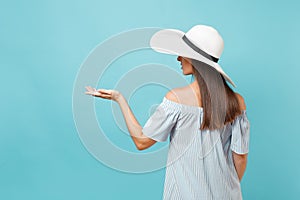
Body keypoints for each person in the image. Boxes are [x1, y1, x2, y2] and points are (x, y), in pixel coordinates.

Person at [85, 25, 250, 200]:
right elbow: (239, 158)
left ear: (194, 59)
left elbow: (142, 142)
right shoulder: (237, 102)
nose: (178, 58)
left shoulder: (176, 99)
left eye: (183, 53)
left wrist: (119, 99)